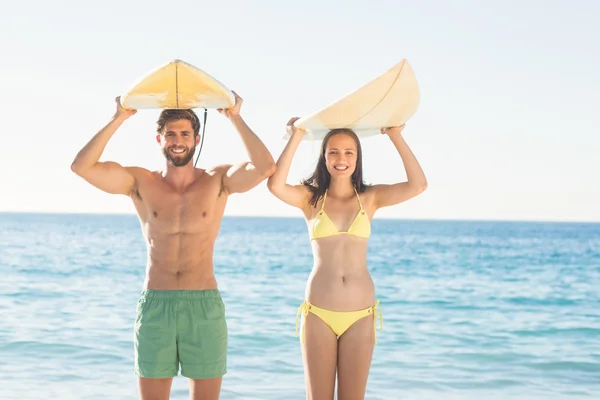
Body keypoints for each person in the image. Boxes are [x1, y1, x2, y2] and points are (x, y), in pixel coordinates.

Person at [71, 92, 276, 400]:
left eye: (184, 134)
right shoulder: (140, 181)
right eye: (170, 134)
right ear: (159, 140)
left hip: (203, 304)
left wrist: (234, 116)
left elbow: (264, 167)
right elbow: (82, 167)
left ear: (196, 138)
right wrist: (120, 117)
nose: (177, 140)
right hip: (157, 304)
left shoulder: (217, 179)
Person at [267, 118, 427, 399]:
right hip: (318, 313)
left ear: (357, 158)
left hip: (360, 315)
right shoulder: (310, 199)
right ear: (324, 157)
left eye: (349, 152)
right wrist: (297, 135)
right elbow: (275, 185)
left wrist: (394, 136)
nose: (341, 159)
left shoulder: (371, 198)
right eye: (333, 152)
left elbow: (418, 185)